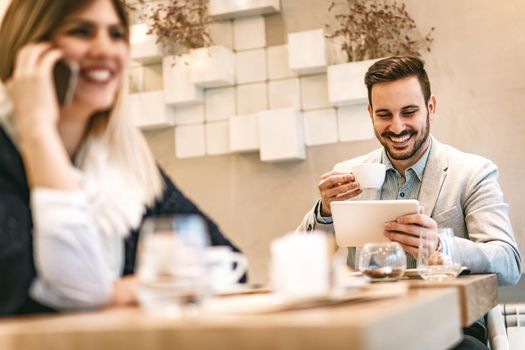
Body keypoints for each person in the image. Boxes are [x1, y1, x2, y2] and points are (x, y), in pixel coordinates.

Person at [0, 0, 241, 317]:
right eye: (81, 31)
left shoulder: (121, 162)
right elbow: (20, 297)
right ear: (29, 51)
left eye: (115, 34)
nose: (105, 50)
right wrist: (37, 131)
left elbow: (228, 263)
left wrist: (132, 289)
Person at [298, 55, 521, 348]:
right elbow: (302, 257)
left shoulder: (472, 172)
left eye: (409, 111)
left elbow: (509, 262)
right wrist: (325, 212)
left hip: (450, 329)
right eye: (385, 114)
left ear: (431, 108)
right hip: (367, 329)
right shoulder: (348, 174)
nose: (397, 126)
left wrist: (441, 245)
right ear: (371, 114)